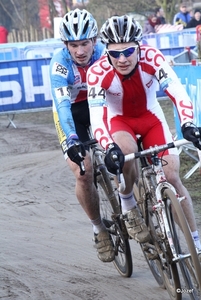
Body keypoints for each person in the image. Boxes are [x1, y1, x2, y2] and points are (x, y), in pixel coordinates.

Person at [86, 15, 201, 252]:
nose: (122, 59)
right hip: (120, 121)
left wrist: (188, 123)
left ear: (139, 46)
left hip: (151, 118)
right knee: (126, 152)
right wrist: (108, 147)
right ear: (106, 52)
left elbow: (178, 92)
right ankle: (127, 200)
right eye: (115, 53)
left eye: (128, 51)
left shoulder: (152, 57)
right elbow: (97, 117)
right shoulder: (97, 73)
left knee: (171, 175)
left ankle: (196, 244)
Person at [49, 8, 115, 263]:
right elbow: (63, 106)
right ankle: (99, 230)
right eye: (73, 45)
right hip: (71, 111)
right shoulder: (59, 63)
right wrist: (73, 141)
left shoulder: (104, 55)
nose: (80, 51)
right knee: (83, 171)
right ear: (65, 45)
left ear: (95, 41)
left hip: (99, 104)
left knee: (123, 149)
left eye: (85, 43)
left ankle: (131, 203)